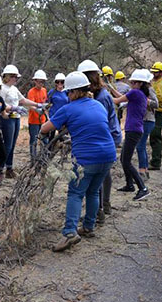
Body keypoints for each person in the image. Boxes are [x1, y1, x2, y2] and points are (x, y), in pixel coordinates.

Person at [40, 71, 116, 252]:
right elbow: (95, 128)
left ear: (73, 92)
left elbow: (45, 128)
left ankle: (69, 233)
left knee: (75, 193)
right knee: (93, 192)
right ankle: (89, 226)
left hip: (87, 158)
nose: (67, 96)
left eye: (68, 93)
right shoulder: (98, 105)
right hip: (108, 155)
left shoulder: (68, 109)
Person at [78, 59, 122, 221]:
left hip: (108, 135)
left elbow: (98, 122)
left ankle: (100, 209)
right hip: (107, 134)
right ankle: (104, 205)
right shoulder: (97, 94)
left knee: (99, 172)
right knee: (104, 171)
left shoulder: (101, 97)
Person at [0, 65, 45, 178]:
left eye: (16, 77)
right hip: (7, 118)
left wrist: (37, 104)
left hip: (16, 118)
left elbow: (23, 100)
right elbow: (0, 105)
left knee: (12, 144)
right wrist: (14, 108)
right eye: (14, 76)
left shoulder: (14, 89)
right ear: (8, 76)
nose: (16, 79)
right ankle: (0, 168)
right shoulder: (2, 88)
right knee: (7, 145)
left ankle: (9, 168)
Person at [111, 69, 151, 201]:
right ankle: (129, 185)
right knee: (123, 158)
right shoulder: (140, 94)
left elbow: (116, 101)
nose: (131, 83)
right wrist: (110, 87)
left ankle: (142, 188)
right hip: (135, 129)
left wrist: (104, 94)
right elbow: (121, 99)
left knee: (126, 161)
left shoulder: (135, 93)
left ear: (139, 83)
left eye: (133, 82)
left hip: (133, 130)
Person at [136, 70, 158, 181]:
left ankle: (142, 173)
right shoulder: (140, 91)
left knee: (140, 146)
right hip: (144, 120)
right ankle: (145, 171)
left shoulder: (149, 90)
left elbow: (156, 104)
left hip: (148, 120)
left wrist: (146, 101)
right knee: (142, 145)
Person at [27, 70, 48, 164]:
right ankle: (33, 160)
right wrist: (36, 110)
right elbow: (29, 105)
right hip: (33, 121)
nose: (41, 84)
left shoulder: (44, 91)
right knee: (34, 141)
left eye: (43, 82)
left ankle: (44, 158)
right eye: (39, 81)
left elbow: (44, 103)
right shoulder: (31, 92)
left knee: (44, 140)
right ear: (35, 81)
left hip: (43, 120)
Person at [149, 62, 162, 170]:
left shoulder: (160, 84)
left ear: (161, 73)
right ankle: (155, 160)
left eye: (156, 72)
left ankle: (156, 162)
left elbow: (158, 98)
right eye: (153, 72)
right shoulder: (155, 82)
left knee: (155, 136)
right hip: (155, 112)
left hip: (159, 112)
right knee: (153, 136)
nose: (154, 74)